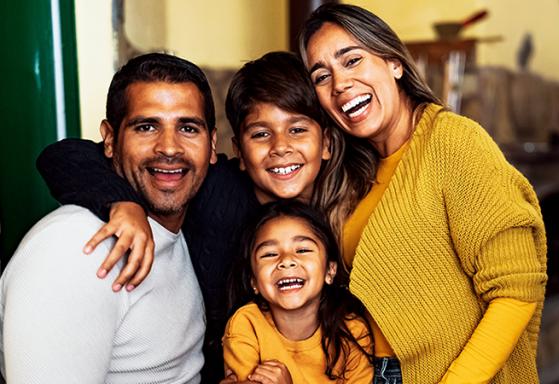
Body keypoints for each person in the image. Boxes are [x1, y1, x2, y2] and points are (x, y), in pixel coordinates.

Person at [34, 51, 377, 382]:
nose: (280, 147)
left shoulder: (350, 206)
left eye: (297, 129)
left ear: (327, 143)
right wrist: (121, 201)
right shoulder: (211, 188)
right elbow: (65, 155)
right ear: (237, 150)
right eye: (260, 134)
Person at [299, 4, 548, 383]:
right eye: (322, 75)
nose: (340, 84)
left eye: (352, 60)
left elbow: (515, 292)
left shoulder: (453, 142)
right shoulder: (350, 174)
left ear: (394, 63)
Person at [0, 52, 214, 382]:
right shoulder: (72, 249)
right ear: (110, 140)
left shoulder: (187, 221)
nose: (169, 148)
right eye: (146, 127)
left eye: (188, 128)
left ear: (212, 145)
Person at [223, 200, 372, 383]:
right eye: (269, 254)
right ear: (253, 281)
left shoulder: (353, 331)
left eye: (302, 250)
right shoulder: (247, 324)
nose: (287, 260)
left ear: (330, 271)